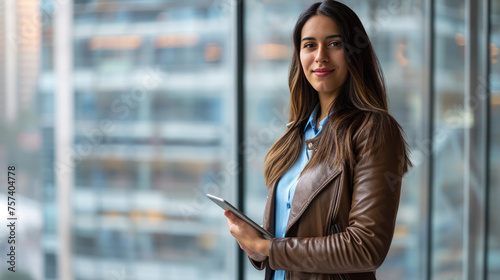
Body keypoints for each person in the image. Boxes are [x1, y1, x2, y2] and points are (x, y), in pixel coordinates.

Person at [223, 1, 412, 279]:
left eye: (334, 44)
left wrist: (269, 247)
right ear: (299, 55)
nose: (320, 56)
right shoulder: (296, 134)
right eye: (309, 45)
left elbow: (366, 247)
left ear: (354, 52)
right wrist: (258, 249)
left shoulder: (373, 129)